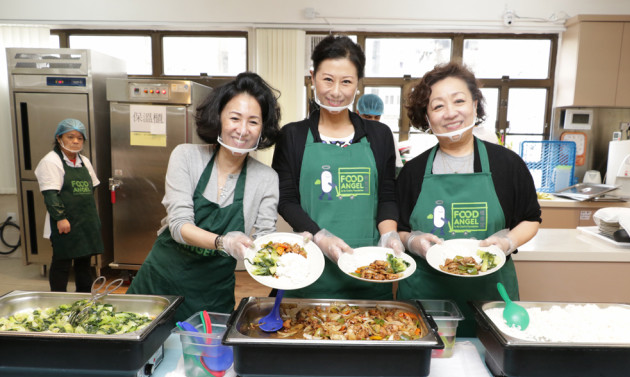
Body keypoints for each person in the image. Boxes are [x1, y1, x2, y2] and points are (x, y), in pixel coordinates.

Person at [396, 62, 541, 336]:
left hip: (490, 297)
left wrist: (507, 242)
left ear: (475, 105)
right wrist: (413, 242)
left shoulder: (507, 165)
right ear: (426, 117)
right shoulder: (412, 173)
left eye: (459, 101)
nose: (450, 113)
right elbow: (400, 228)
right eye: (437, 106)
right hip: (427, 299)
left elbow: (531, 219)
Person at [127, 72, 281, 321]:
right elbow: (178, 226)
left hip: (212, 293)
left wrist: (293, 248)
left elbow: (264, 242)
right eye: (234, 118)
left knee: (205, 357)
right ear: (218, 118)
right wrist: (224, 242)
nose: (242, 130)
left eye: (253, 121)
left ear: (263, 128)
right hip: (160, 283)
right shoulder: (186, 157)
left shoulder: (266, 179)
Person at [272, 35, 403, 300]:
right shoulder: (293, 136)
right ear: (313, 78)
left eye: (346, 82)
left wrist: (389, 235)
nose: (335, 91)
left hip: (368, 268)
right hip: (311, 266)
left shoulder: (378, 135)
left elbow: (387, 195)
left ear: (358, 84)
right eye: (327, 79)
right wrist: (320, 236)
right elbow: (285, 199)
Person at [34, 119, 103, 292]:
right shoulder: (51, 161)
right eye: (70, 137)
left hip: (85, 221)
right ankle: (58, 301)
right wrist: (61, 218)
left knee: (84, 263)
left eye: (80, 138)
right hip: (64, 222)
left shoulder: (84, 161)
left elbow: (91, 187)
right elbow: (50, 194)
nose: (75, 141)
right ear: (59, 138)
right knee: (62, 262)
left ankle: (84, 300)